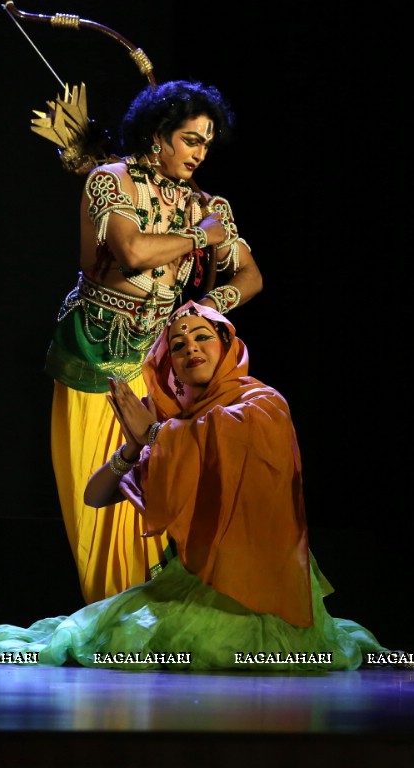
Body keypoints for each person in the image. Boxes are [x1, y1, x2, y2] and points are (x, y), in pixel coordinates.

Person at [0, 301, 395, 670]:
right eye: (177, 344)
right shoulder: (174, 425)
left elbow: (224, 441)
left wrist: (155, 434)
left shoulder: (262, 403)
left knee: (212, 647)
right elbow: (94, 497)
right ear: (168, 365)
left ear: (227, 346)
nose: (190, 347)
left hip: (262, 585)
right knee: (110, 637)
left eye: (202, 337)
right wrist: (134, 447)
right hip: (192, 583)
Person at [45, 80, 263, 604]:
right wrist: (201, 236)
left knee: (154, 489)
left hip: (153, 367)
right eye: (191, 139)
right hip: (92, 358)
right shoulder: (108, 182)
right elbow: (133, 252)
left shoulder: (203, 203)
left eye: (207, 143)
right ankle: (110, 612)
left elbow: (251, 275)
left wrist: (202, 311)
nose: (200, 153)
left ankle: (153, 611)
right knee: (99, 501)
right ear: (158, 136)